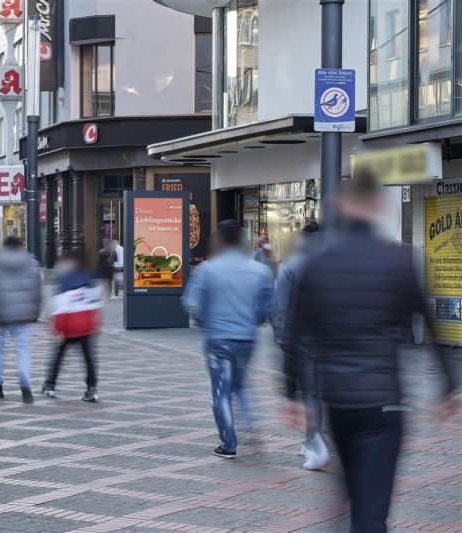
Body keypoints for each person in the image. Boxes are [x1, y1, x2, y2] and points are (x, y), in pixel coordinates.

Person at [286, 174, 459, 532]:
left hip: (340, 403)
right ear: (377, 207)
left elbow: (295, 336)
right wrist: (448, 386)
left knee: (354, 500)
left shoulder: (317, 264)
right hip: (385, 404)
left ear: (340, 206)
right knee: (371, 509)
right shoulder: (398, 261)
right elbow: (429, 324)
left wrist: (292, 396)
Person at [181, 220, 274, 459]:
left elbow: (191, 302)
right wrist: (253, 321)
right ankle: (250, 420)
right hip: (246, 338)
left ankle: (228, 443)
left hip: (218, 338)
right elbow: (269, 305)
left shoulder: (208, 269)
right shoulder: (260, 270)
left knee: (221, 391)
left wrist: (205, 322)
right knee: (241, 385)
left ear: (220, 240)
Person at [272, 220, 328, 471]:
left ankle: (315, 443)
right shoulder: (334, 262)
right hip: (329, 339)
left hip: (300, 339)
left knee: (308, 393)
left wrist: (281, 339)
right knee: (319, 392)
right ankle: (311, 441)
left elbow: (280, 308)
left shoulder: (291, 266)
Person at [42, 249, 103, 402]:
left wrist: (58, 330)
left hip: (69, 326)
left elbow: (61, 308)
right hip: (86, 326)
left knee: (58, 356)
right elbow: (97, 303)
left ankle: (50, 385)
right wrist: (95, 323)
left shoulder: (64, 281)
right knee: (88, 358)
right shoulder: (90, 276)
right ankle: (92, 388)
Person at [0, 236, 42, 403]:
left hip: (3, 315)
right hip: (24, 315)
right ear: (21, 246)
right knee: (23, 350)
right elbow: (37, 290)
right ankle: (25, 385)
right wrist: (35, 313)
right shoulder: (32, 264)